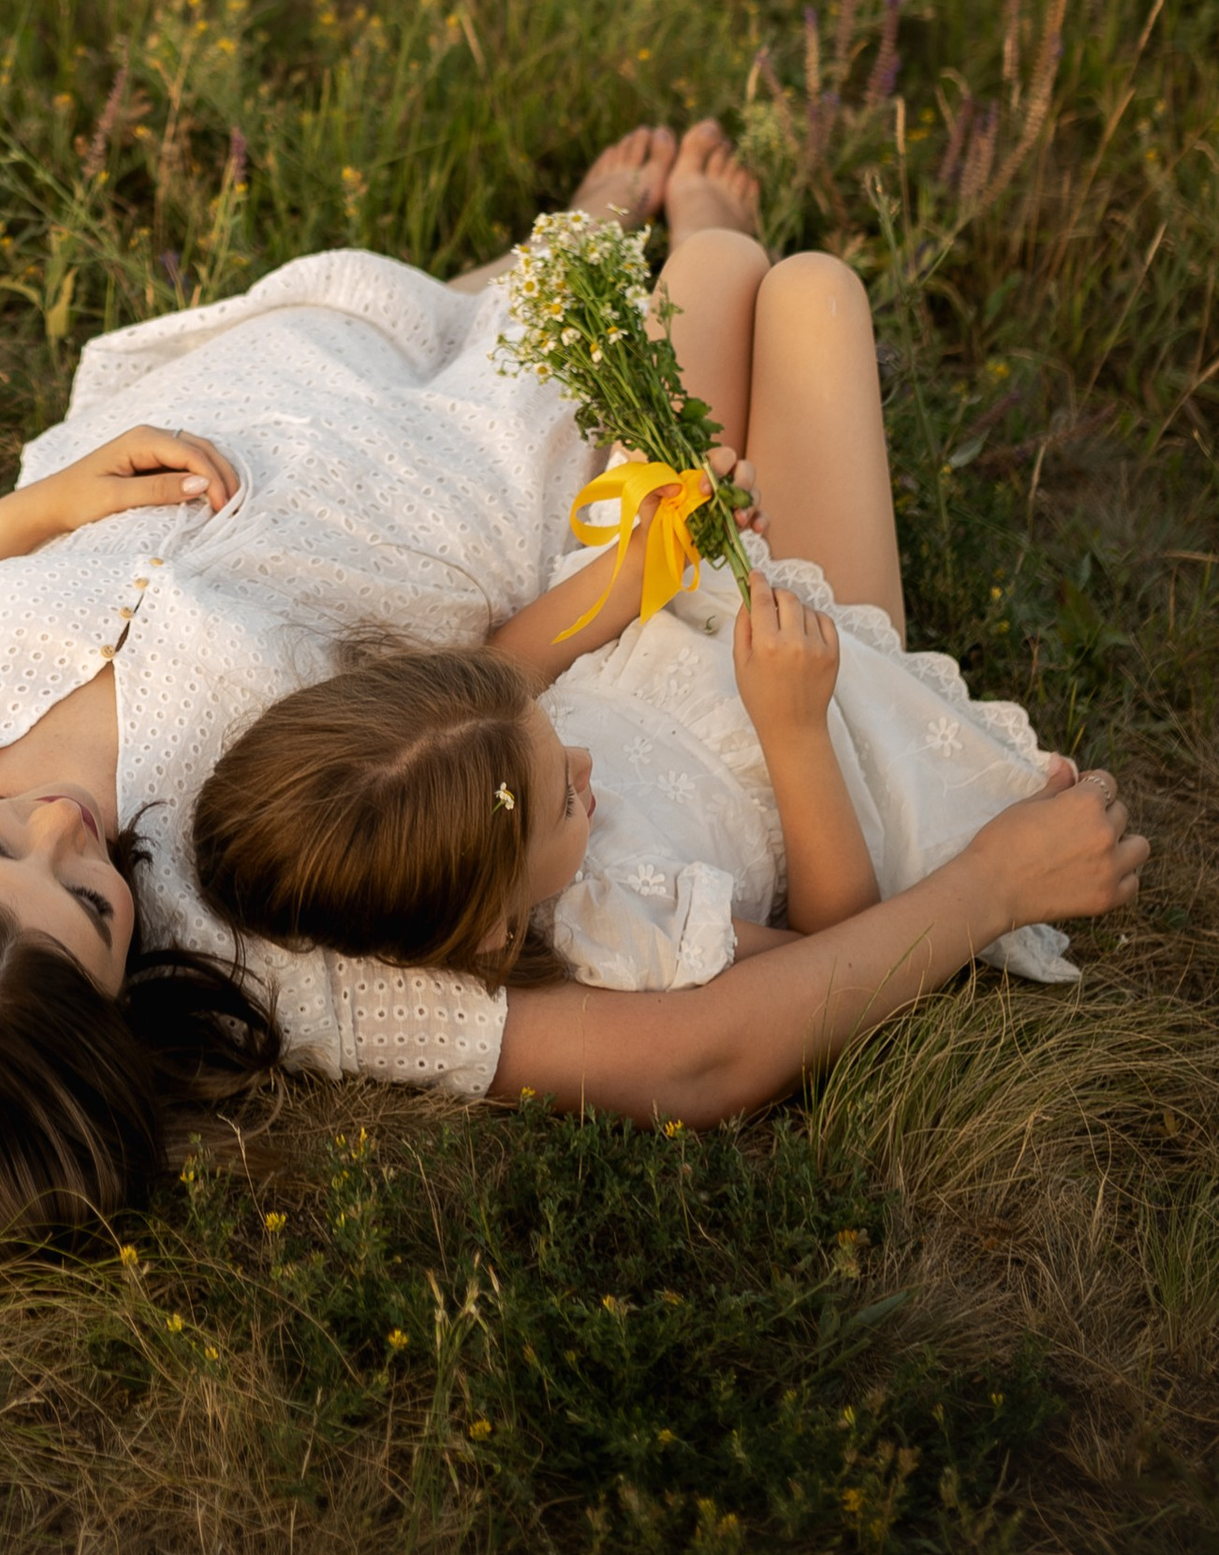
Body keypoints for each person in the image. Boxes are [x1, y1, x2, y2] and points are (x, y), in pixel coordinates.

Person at [0, 123, 1147, 1235]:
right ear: (126, 986)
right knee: (681, 333)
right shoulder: (258, 916)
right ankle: (564, 282)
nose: (60, 823)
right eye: (90, 901)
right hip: (458, 496)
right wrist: (993, 877)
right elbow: (693, 1055)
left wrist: (16, 520)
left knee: (373, 326)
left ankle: (538, 256)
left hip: (256, 408)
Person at [193, 236, 1084, 997]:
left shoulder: (465, 757)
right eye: (567, 798)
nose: (586, 764)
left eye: (548, 731)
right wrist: (796, 723)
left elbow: (516, 655)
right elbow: (834, 945)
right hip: (820, 680)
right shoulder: (622, 929)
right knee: (817, 293)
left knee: (713, 263)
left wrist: (652, 554)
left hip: (672, 598)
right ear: (499, 932)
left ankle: (716, 242)